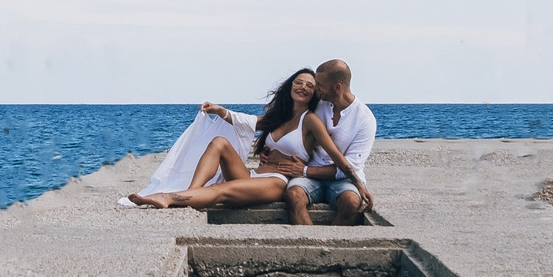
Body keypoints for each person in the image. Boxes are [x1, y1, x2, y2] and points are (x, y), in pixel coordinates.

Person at [128, 68, 370, 224]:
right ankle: (192, 194)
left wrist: (358, 184)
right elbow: (248, 122)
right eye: (299, 82)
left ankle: (169, 197)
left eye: (310, 85)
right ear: (290, 86)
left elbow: (337, 156)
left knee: (222, 191)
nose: (303, 87)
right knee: (219, 142)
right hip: (254, 174)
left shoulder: (312, 120)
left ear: (316, 92)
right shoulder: (280, 117)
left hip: (276, 181)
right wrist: (221, 111)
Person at [285, 57, 375, 225]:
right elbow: (289, 126)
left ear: (338, 87)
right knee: (293, 195)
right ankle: (310, 244)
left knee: (352, 202)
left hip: (344, 179)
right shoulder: (317, 105)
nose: (316, 89)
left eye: (320, 85)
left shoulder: (365, 119)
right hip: (310, 177)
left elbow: (350, 167)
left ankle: (329, 245)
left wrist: (305, 171)